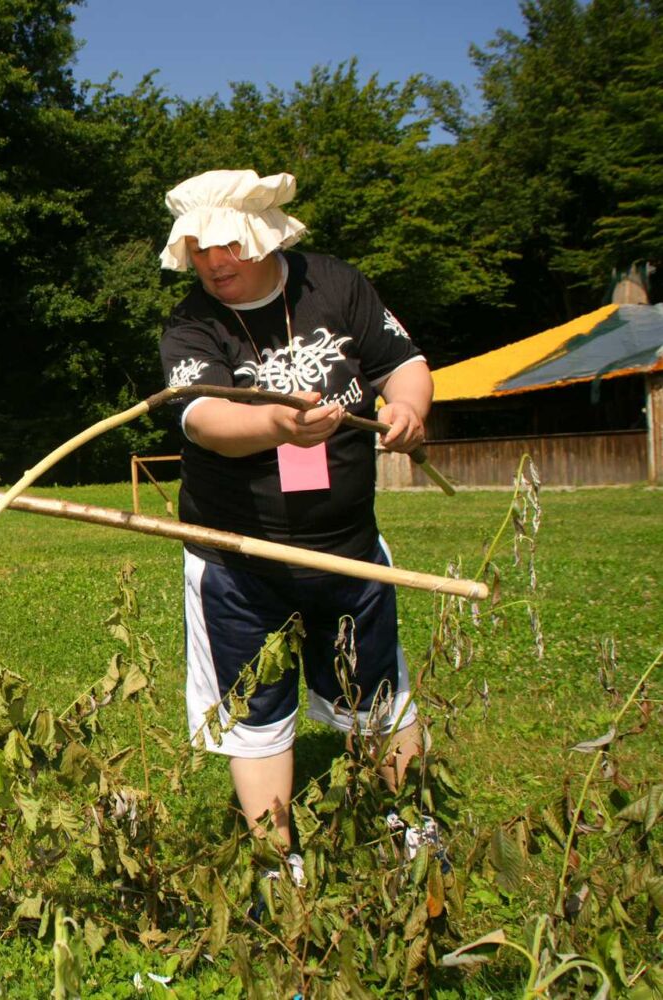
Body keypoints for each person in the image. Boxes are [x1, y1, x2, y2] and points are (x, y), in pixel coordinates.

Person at [156, 169, 432, 855]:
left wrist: (408, 406)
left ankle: (416, 835)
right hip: (237, 559)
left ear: (263, 235)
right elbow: (204, 419)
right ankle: (279, 865)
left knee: (379, 696)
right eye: (198, 248)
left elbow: (402, 362)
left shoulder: (333, 285)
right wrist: (277, 424)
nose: (213, 262)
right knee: (252, 713)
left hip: (347, 547)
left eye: (227, 244)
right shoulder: (191, 322)